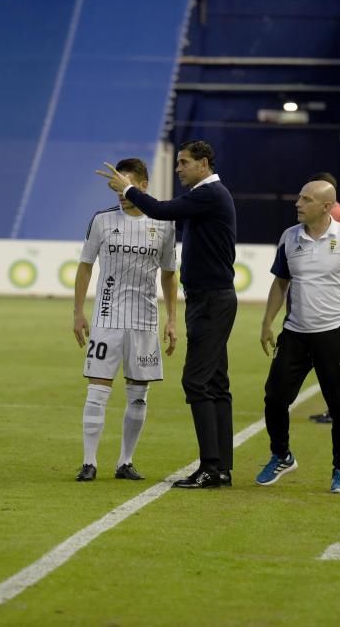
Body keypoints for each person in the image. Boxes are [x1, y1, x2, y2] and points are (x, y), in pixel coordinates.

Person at [99, 140, 237, 489]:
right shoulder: (210, 196)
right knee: (217, 382)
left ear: (203, 164)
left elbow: (160, 210)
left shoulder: (209, 193)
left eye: (184, 162)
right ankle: (221, 467)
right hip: (212, 299)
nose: (178, 169)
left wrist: (127, 187)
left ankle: (209, 467)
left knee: (197, 381)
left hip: (210, 301)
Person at [256, 179, 340, 494]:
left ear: (326, 207)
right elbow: (280, 283)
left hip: (334, 335)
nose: (298, 203)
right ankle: (281, 455)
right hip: (294, 335)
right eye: (298, 197)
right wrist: (268, 322)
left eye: (306, 199)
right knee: (274, 398)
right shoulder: (289, 238)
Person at [73, 158, 178, 482]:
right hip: (107, 317)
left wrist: (173, 319)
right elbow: (86, 265)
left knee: (138, 393)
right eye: (115, 185)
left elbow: (170, 273)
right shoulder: (103, 221)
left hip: (145, 321)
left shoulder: (163, 224)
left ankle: (125, 462)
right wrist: (78, 312)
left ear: (143, 186)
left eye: (125, 184)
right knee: (97, 389)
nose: (119, 192)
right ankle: (89, 462)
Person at [307, 172, 340, 424]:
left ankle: (337, 409)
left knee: (332, 358)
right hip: (331, 291)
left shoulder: (337, 214)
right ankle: (336, 408)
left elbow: (339, 250)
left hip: (331, 294)